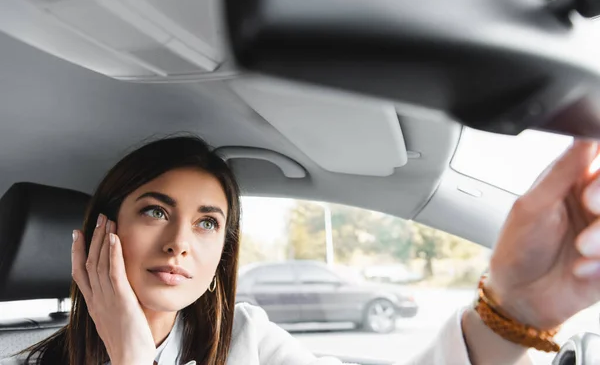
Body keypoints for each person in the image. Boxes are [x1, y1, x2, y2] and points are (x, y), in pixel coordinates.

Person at [2, 135, 600, 365]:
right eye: (155, 211)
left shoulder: (247, 340)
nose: (180, 242)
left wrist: (513, 308)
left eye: (208, 224)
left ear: (219, 260)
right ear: (104, 231)